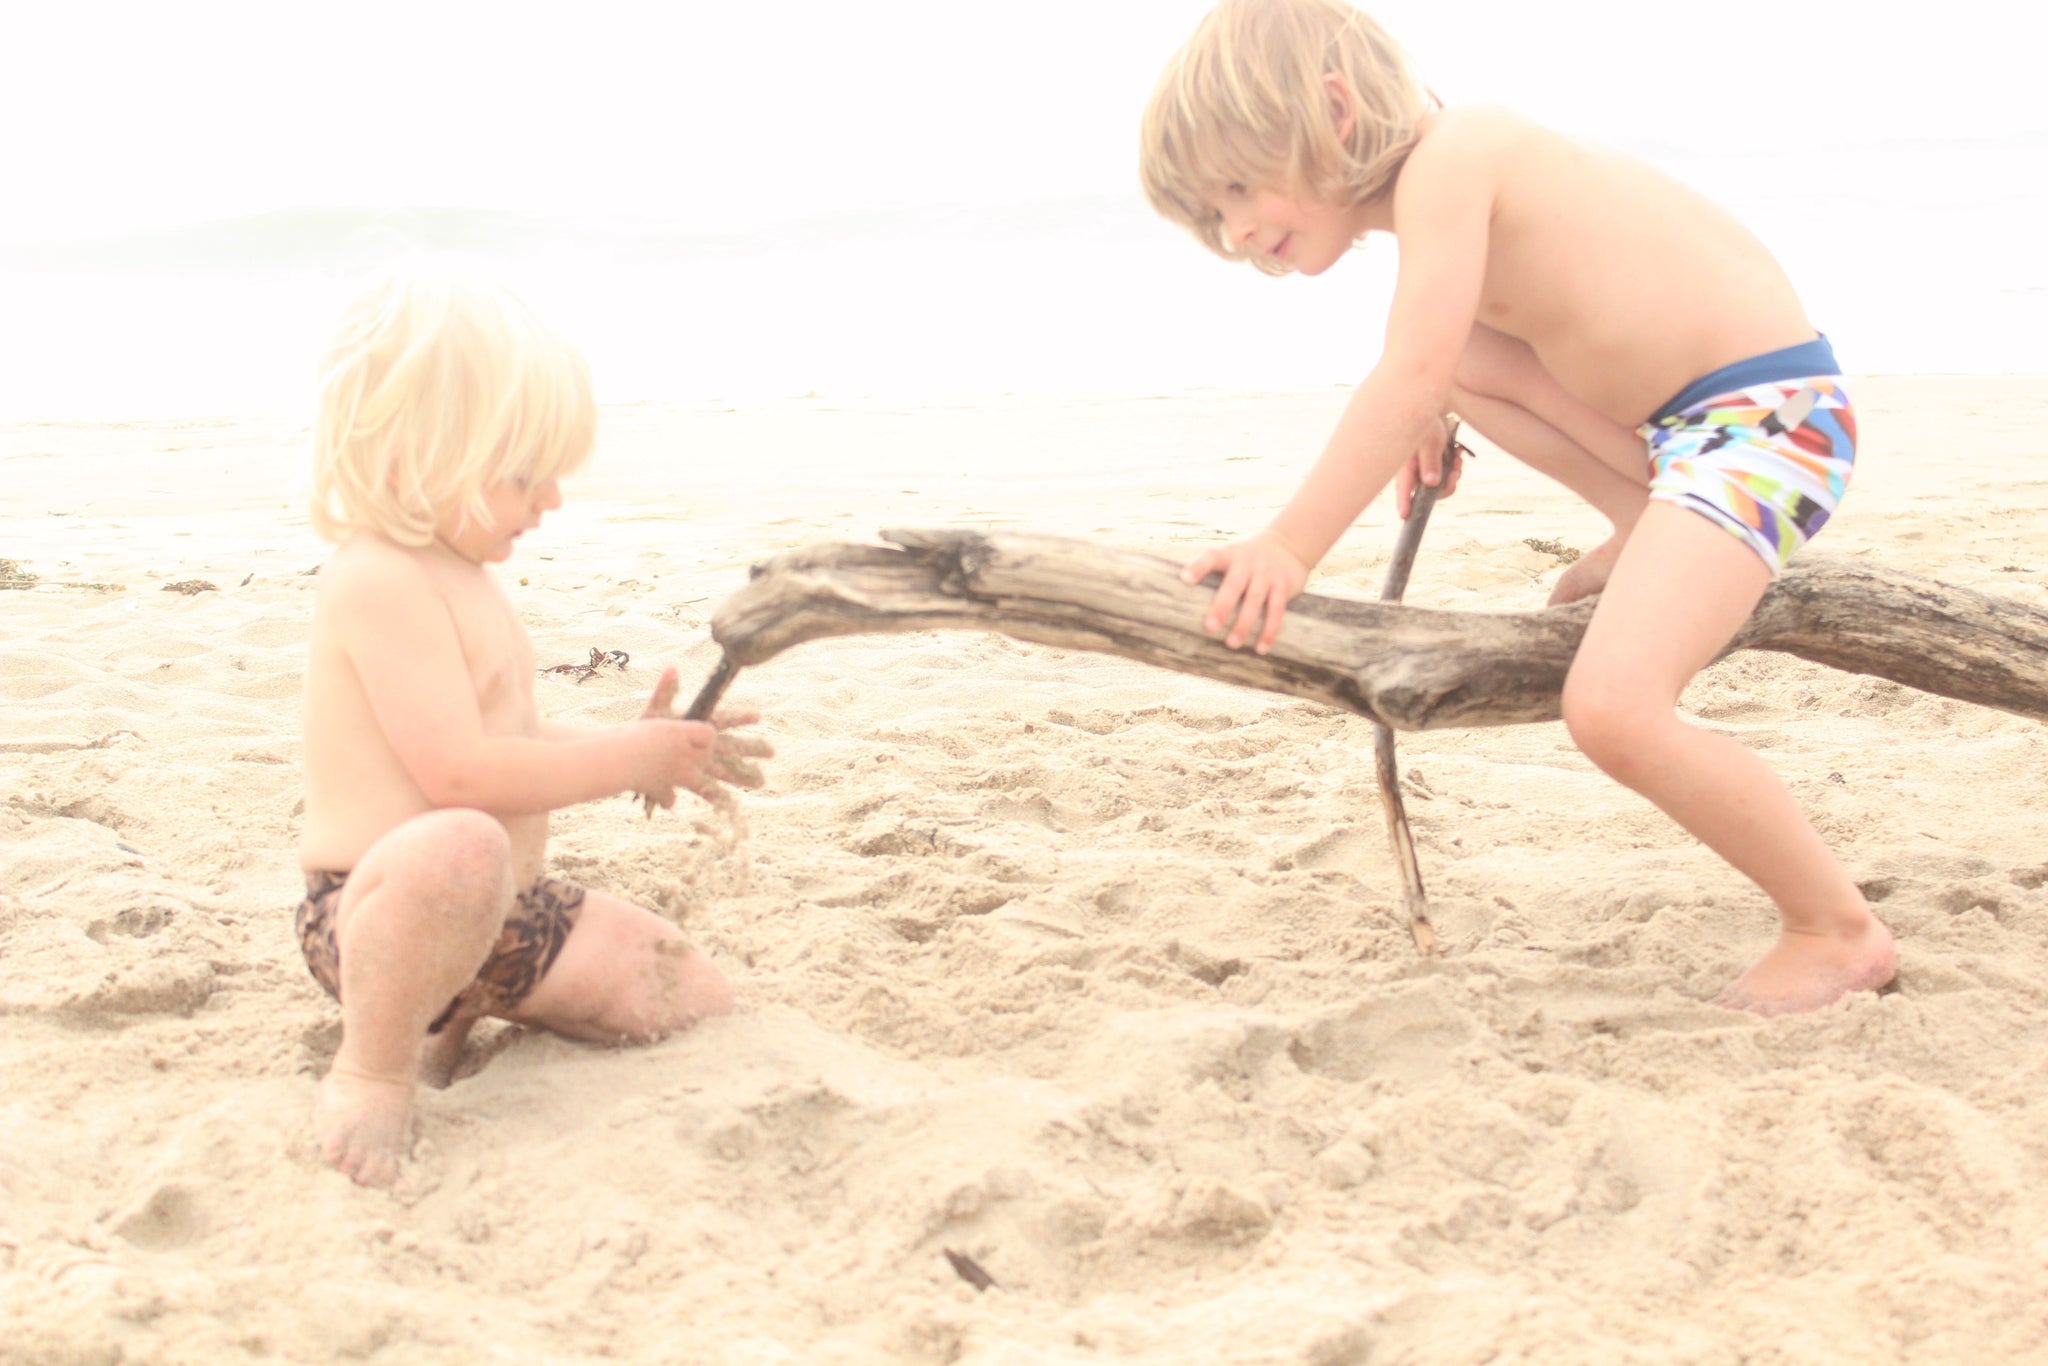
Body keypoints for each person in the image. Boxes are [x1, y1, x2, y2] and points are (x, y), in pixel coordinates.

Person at [1139, 0, 1895, 1014]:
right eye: (1210, 211)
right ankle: (1641, 526)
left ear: (1330, 108)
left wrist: (1289, 544)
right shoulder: (1438, 203)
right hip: (1678, 437)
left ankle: (1833, 928)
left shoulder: (1460, 151)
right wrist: (1426, 406)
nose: (1233, 230)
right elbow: (1426, 360)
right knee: (1455, 357)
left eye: (1237, 187)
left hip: (1764, 425)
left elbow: (1405, 370)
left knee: (1612, 708)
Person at [294, 266, 769, 1186]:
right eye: (522, 475)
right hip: (383, 914)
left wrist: (636, 756)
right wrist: (625, 757)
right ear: (410, 461)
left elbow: (516, 742)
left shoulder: (467, 582)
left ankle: (456, 1012)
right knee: (462, 847)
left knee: (692, 994)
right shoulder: (378, 581)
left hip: (507, 918)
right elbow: (460, 779)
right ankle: (377, 1061)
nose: (549, 499)